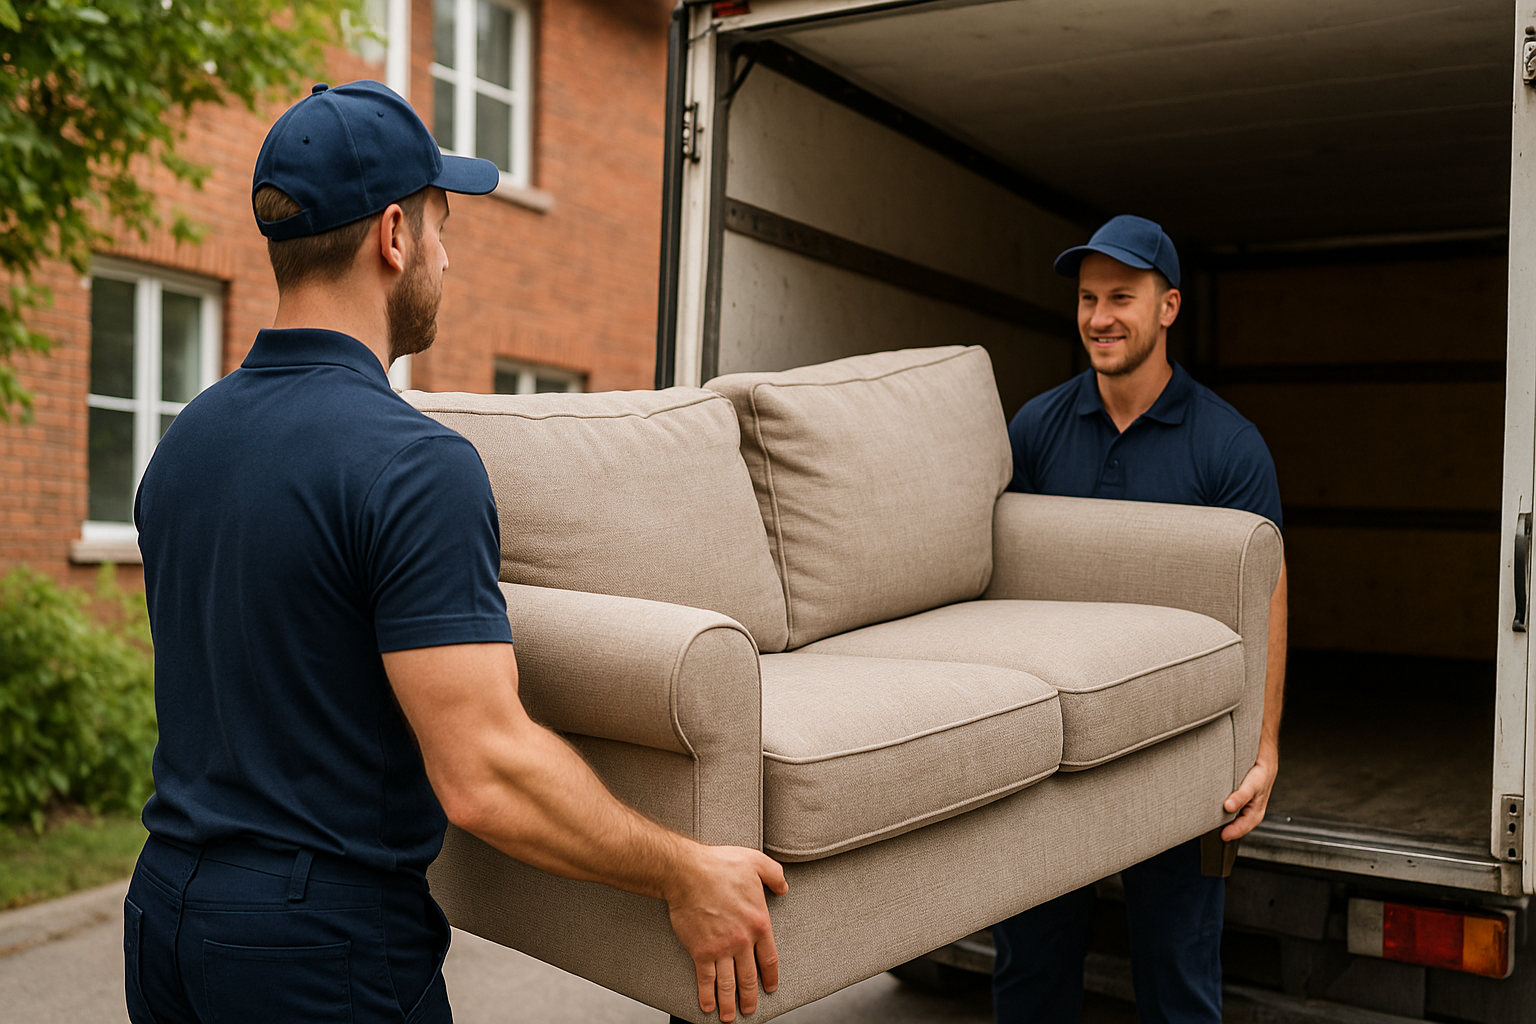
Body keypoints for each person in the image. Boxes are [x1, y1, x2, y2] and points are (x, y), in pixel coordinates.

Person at [125, 80, 785, 1024]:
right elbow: (485, 774)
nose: (447, 256)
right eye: (441, 226)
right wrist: (686, 872)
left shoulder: (187, 440)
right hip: (314, 952)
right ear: (393, 236)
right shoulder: (413, 463)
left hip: (163, 916)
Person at [990, 215, 1287, 1024]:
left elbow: (1265, 592)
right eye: (1088, 298)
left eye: (1122, 296)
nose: (1099, 316)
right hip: (1056, 751)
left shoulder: (1228, 445)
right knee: (1030, 969)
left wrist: (1260, 746)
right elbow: (995, 584)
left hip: (1178, 747)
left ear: (1169, 308)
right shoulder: (1036, 428)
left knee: (1177, 973)